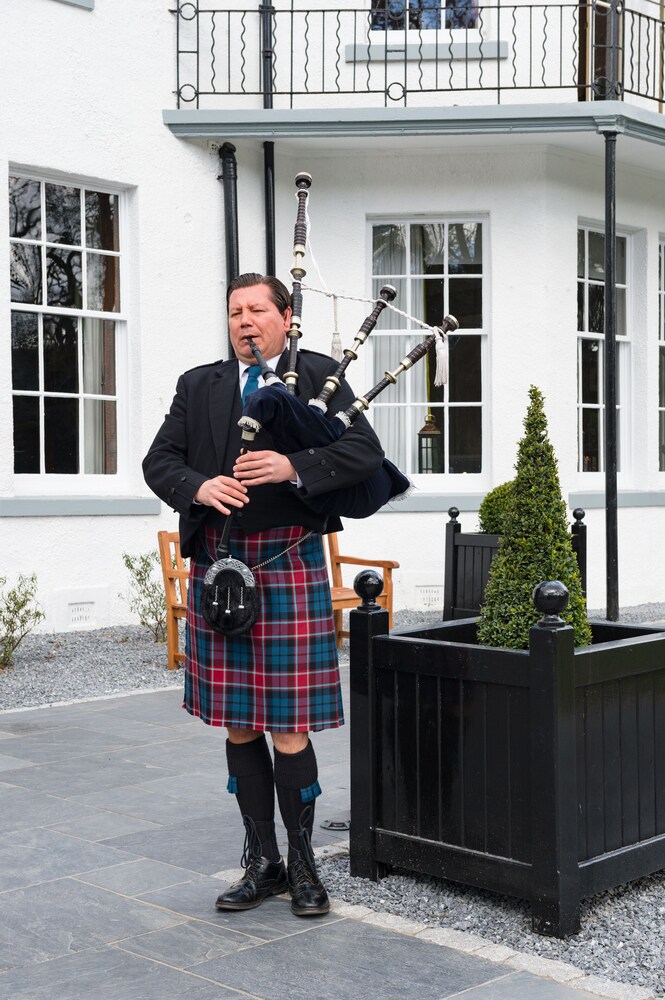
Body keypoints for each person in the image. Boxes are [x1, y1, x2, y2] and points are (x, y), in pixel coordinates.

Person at [143, 273, 384, 917]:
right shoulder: (201, 384)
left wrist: (293, 465)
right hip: (219, 564)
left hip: (286, 561)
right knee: (241, 723)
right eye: (234, 312)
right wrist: (198, 487)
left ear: (284, 316)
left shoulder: (318, 376)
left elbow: (365, 452)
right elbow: (158, 461)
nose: (244, 321)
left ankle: (304, 866)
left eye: (256, 310)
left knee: (289, 727)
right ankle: (261, 862)